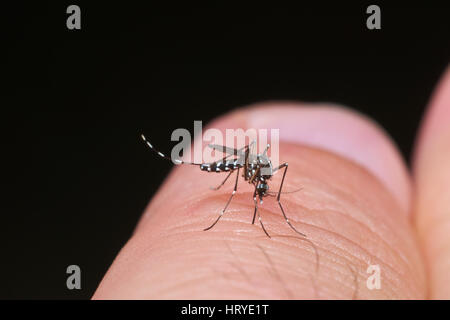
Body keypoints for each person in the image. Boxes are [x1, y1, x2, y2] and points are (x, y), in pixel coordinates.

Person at [93, 67, 450, 299]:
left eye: (263, 192)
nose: (262, 193)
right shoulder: (254, 170)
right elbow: (250, 160)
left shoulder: (268, 173)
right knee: (247, 167)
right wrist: (234, 188)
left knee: (270, 162)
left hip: (247, 160)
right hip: (233, 161)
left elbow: (268, 168)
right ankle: (219, 187)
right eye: (262, 191)